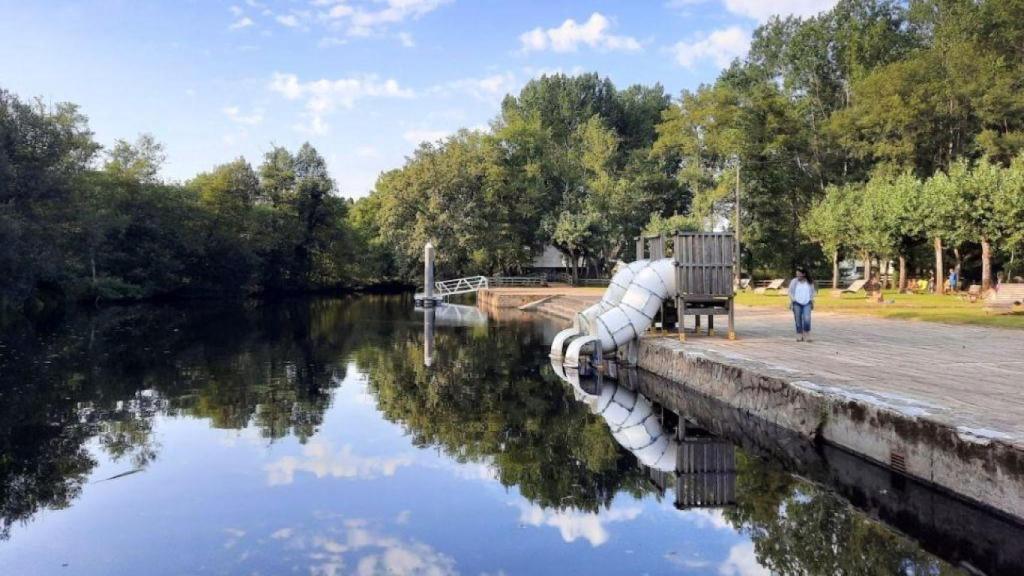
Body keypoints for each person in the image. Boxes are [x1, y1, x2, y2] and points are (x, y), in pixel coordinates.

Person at [788, 267, 816, 342]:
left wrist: (811, 299)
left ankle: (807, 333)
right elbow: (790, 292)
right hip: (796, 303)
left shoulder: (809, 282)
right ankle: (799, 334)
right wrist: (793, 299)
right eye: (796, 274)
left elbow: (813, 292)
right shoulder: (794, 281)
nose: (797, 276)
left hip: (807, 303)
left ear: (804, 274)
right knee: (798, 320)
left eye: (799, 274)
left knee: (807, 319)